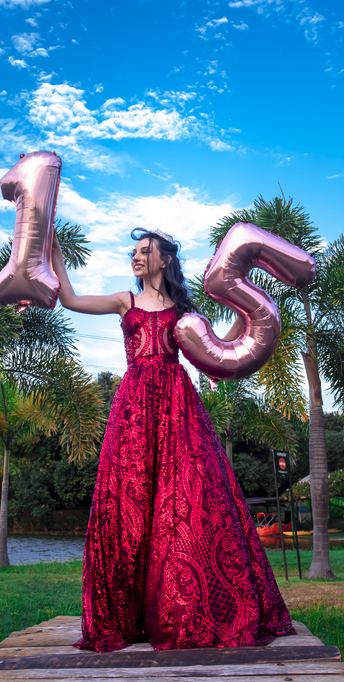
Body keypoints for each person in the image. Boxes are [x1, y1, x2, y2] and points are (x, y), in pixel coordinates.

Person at [51, 227, 295, 652]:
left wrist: (223, 359)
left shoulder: (184, 308)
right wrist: (50, 242)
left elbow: (216, 345)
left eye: (146, 251)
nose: (137, 257)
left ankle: (185, 608)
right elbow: (70, 299)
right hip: (133, 407)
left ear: (165, 260)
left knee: (186, 501)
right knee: (129, 505)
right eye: (135, 251)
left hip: (177, 406)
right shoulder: (123, 301)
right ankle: (126, 617)